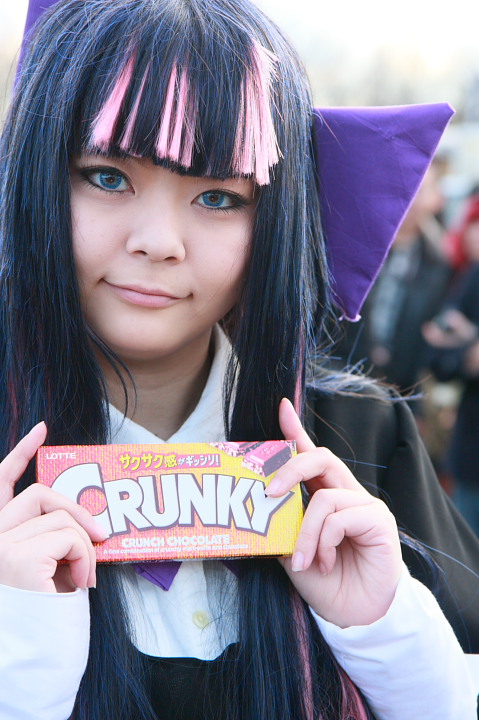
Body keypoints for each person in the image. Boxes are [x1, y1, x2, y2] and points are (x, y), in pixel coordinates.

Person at [0, 1, 477, 719]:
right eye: (107, 177)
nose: (159, 241)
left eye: (219, 196)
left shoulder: (357, 438)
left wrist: (385, 633)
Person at [330, 162, 452, 411]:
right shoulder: (356, 246)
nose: (411, 196)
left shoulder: (436, 262)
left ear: (435, 199)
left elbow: (429, 334)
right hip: (343, 380)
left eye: (421, 189)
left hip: (400, 391)